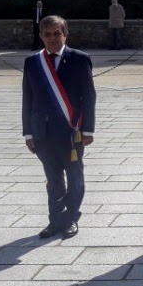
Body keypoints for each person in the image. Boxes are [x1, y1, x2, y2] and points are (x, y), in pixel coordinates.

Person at [22, 15, 96, 239]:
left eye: (57, 33)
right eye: (47, 34)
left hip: (72, 131)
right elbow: (28, 99)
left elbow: (88, 97)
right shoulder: (33, 62)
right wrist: (28, 132)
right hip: (42, 132)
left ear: (65, 35)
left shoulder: (80, 59)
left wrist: (88, 130)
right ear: (41, 36)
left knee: (74, 177)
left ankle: (71, 218)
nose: (52, 38)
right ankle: (55, 220)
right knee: (53, 179)